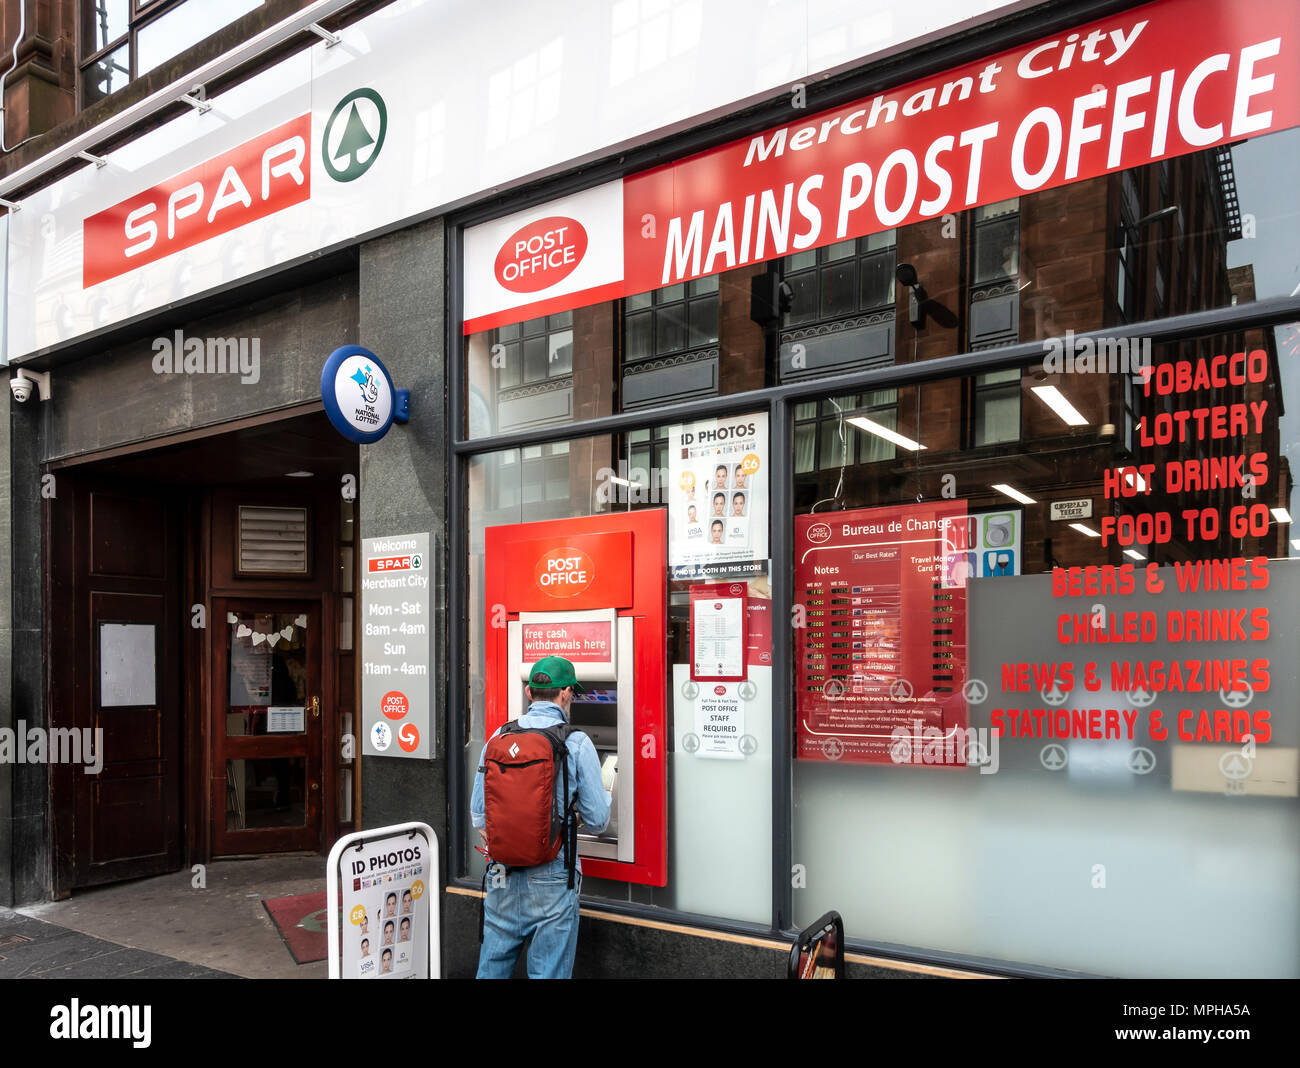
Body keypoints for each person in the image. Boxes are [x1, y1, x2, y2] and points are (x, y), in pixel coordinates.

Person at [472, 655, 611, 979]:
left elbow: (479, 815)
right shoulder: (575, 742)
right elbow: (599, 821)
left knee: (491, 970)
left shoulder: (499, 737)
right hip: (553, 873)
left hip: (501, 873)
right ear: (565, 694)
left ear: (529, 693)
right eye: (572, 693)